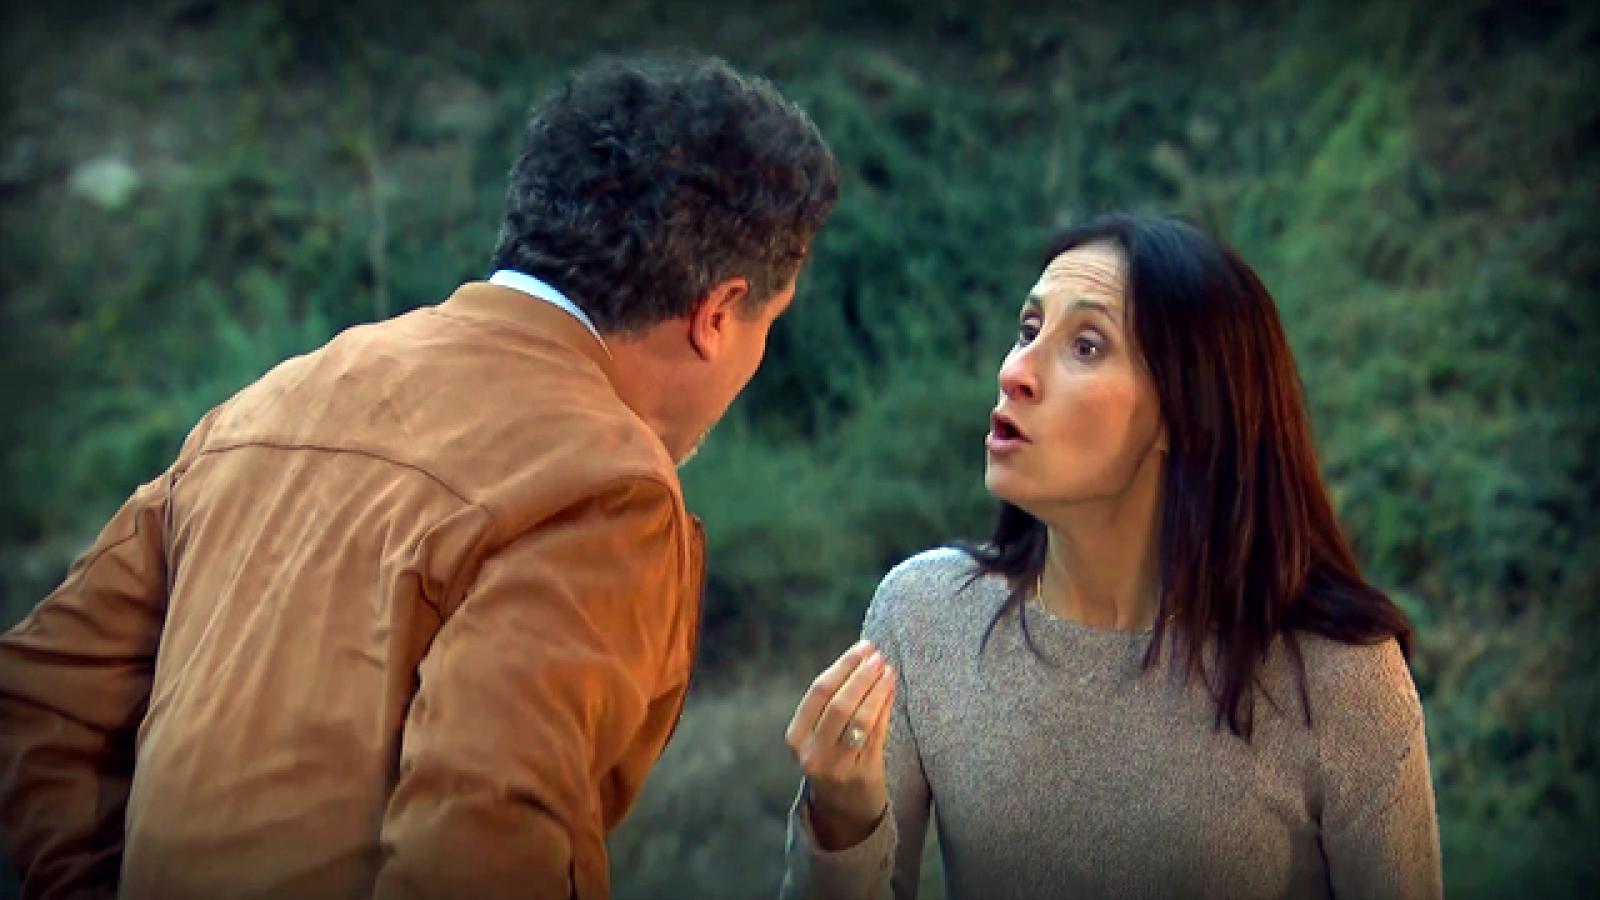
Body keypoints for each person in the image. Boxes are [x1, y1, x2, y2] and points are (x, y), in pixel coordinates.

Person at [0, 55, 838, 900]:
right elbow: (487, 833)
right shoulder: (606, 483)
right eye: (767, 324)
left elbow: (40, 697)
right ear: (718, 314)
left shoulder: (260, 408)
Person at [781, 214, 1442, 899]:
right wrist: (842, 825)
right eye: (1029, 331)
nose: (1015, 372)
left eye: (1086, 346)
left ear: (1185, 411)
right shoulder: (925, 618)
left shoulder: (1336, 676)